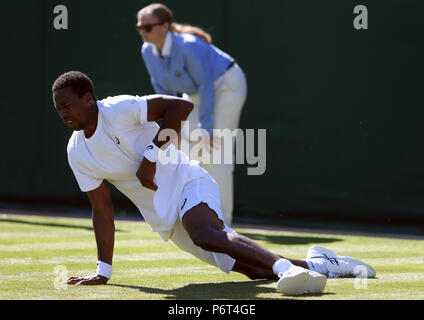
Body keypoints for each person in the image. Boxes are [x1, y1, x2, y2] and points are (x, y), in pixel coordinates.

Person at [52, 71, 375, 296]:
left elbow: (180, 107)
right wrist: (103, 272)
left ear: (89, 98)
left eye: (67, 105)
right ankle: (322, 264)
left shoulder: (119, 108)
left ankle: (286, 269)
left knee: (208, 233)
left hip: (189, 181)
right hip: (166, 218)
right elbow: (102, 208)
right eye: (58, 109)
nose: (63, 113)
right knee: (253, 270)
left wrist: (150, 158)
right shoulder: (76, 152)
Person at [136, 3, 248, 226]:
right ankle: (196, 212)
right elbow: (165, 92)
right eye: (139, 27)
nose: (143, 32)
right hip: (197, 93)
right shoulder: (147, 51)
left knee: (217, 151)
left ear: (164, 26)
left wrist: (207, 128)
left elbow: (207, 85)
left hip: (226, 85)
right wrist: (171, 128)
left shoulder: (187, 46)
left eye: (147, 27)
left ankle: (222, 221)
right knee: (187, 150)